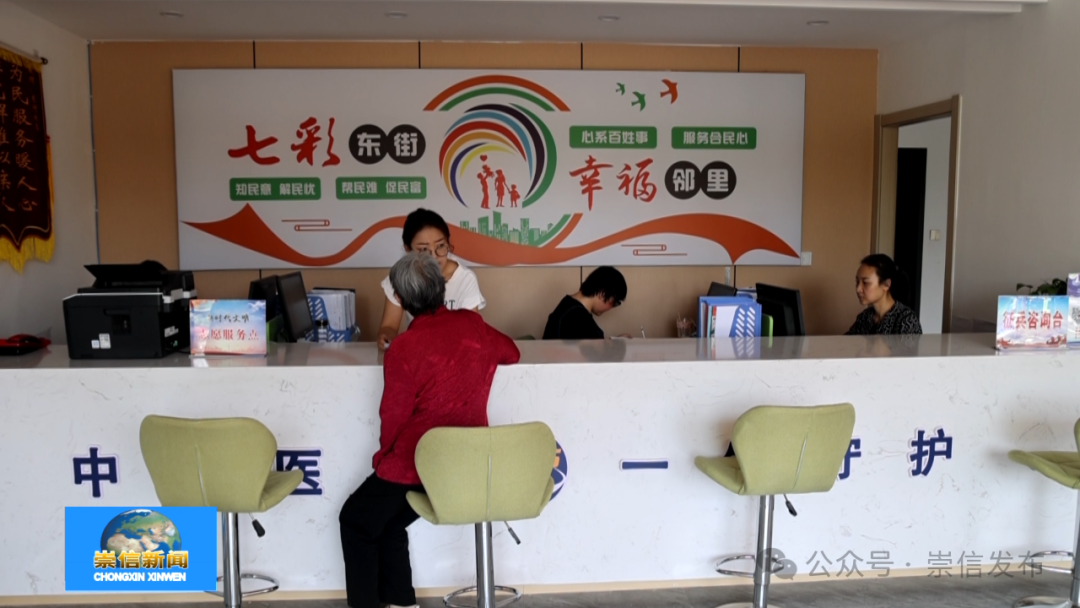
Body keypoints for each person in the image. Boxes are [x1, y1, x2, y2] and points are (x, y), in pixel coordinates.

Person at [339, 252, 519, 608]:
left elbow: (393, 415)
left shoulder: (404, 348)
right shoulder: (473, 325)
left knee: (355, 520)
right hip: (463, 462)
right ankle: (402, 602)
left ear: (400, 299)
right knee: (389, 524)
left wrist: (383, 459)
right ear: (441, 287)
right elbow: (511, 352)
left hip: (415, 463)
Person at [377, 208, 485, 350]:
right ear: (408, 249)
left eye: (441, 246)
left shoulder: (465, 279)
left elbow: (472, 330)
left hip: (454, 352)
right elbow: (389, 327)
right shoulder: (400, 279)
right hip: (418, 351)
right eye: (423, 250)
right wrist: (386, 336)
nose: (434, 257)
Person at [846, 253, 923, 335]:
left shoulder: (907, 320)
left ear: (886, 284)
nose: (858, 289)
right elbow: (847, 341)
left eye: (865, 282)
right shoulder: (865, 317)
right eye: (857, 281)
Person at [543, 266, 628, 340]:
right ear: (602, 294)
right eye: (614, 303)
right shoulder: (578, 318)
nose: (610, 308)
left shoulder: (568, 305)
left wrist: (614, 342)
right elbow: (593, 352)